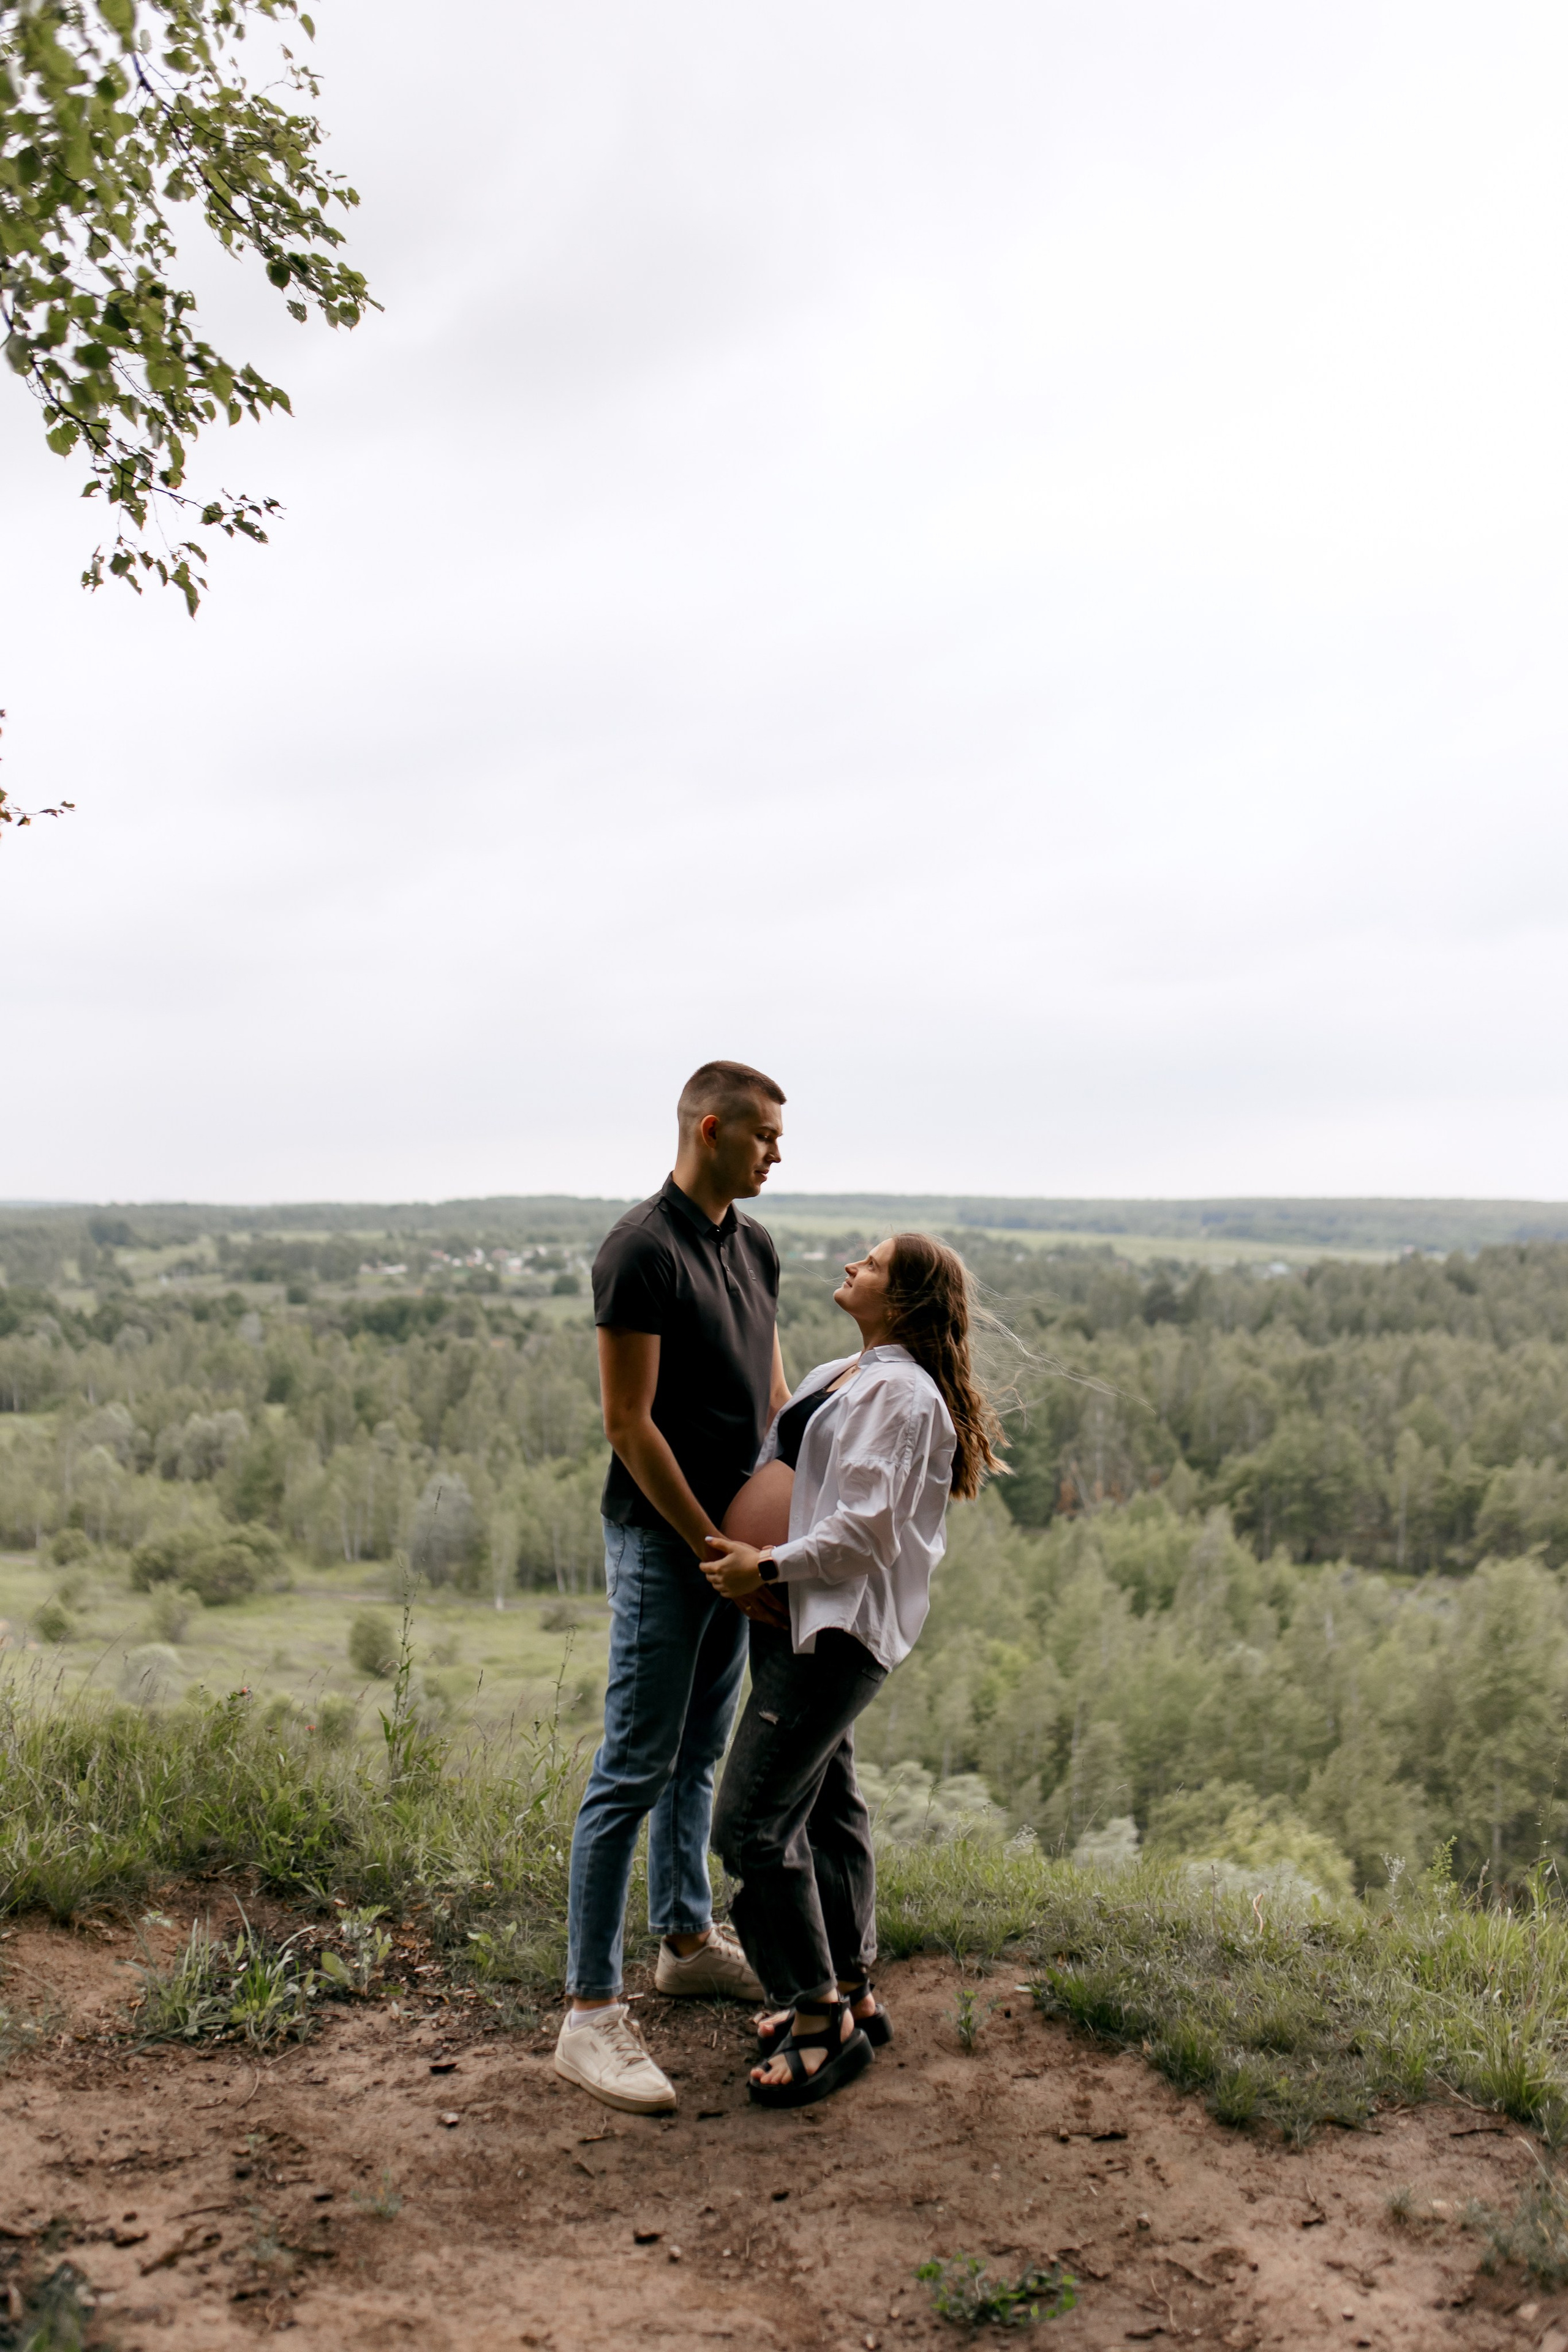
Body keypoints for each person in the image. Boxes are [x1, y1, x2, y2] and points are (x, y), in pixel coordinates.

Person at [705, 1232, 1005, 2108]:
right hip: (800, 1622)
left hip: (831, 1636)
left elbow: (867, 1534)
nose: (850, 1267)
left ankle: (816, 2014)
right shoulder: (848, 1370)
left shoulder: (901, 1396)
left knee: (750, 1827)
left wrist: (759, 1568)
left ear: (904, 1297)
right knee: (828, 1805)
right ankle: (855, 1989)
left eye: (869, 1264)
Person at [554, 1060, 792, 2116]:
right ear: (709, 1129)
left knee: (702, 1749)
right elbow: (628, 1425)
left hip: (732, 1544)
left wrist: (780, 1521)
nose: (777, 1153)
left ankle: (687, 1938)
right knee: (634, 1766)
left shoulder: (755, 1245)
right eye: (764, 1136)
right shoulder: (639, 1251)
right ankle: (589, 2015)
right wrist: (707, 1544)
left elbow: (773, 1393)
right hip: (667, 1547)